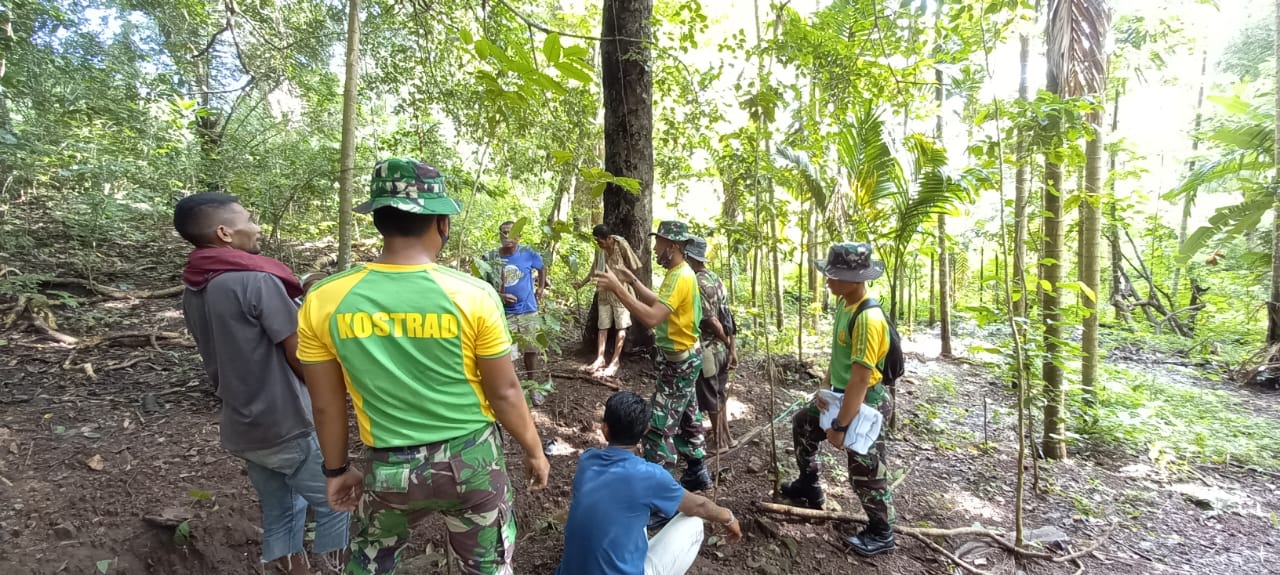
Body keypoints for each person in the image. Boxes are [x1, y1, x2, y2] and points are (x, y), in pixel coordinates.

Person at [296, 158, 550, 575]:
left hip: (389, 468)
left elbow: (326, 404)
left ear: (378, 219)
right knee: (486, 567)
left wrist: (337, 470)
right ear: (442, 222)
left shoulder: (325, 299)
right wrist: (534, 450)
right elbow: (504, 391)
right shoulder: (473, 295)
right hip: (472, 463)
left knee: (371, 562)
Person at [174, 192, 349, 575]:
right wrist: (341, 394)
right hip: (286, 420)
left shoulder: (195, 288)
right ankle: (340, 568)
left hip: (244, 425)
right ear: (224, 232)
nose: (256, 227)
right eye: (249, 219)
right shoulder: (255, 281)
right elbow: (300, 355)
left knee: (282, 511)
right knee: (340, 504)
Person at [780, 242, 897, 557]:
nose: (828, 280)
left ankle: (882, 531)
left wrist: (841, 425)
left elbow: (861, 378)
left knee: (865, 470)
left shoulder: (868, 319)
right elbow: (839, 359)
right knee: (803, 423)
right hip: (842, 395)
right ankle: (808, 484)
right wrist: (825, 388)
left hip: (864, 401)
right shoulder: (846, 305)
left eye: (834, 275)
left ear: (856, 278)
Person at [557, 391, 742, 575]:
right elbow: (699, 506)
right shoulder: (649, 475)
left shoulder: (587, 460)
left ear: (604, 429)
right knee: (693, 522)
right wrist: (728, 517)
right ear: (645, 430)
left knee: (632, 513)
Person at [594, 221, 709, 494]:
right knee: (688, 415)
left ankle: (657, 492)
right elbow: (659, 302)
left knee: (657, 427)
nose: (655, 249)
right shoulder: (678, 272)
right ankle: (696, 471)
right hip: (683, 359)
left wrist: (618, 289)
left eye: (659, 244)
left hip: (680, 364)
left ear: (673, 246)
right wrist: (631, 281)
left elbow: (651, 317)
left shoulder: (681, 275)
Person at [683, 237, 738, 453]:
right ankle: (726, 436)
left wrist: (725, 340)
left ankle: (719, 441)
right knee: (719, 392)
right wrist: (731, 347)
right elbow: (728, 316)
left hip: (709, 347)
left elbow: (712, 320)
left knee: (710, 393)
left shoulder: (697, 282)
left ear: (688, 256)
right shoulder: (716, 279)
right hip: (722, 349)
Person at [573, 224, 642, 378]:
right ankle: (600, 358)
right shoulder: (600, 250)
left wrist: (624, 280)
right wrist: (582, 283)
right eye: (597, 242)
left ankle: (615, 361)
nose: (600, 245)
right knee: (602, 326)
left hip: (621, 292)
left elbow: (634, 266)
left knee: (621, 326)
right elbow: (594, 269)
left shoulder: (621, 245)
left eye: (601, 242)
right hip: (603, 292)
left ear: (609, 239)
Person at [484, 220, 546, 379]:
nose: (506, 236)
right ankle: (513, 386)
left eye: (510, 232)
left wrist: (540, 287)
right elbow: (482, 286)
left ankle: (532, 385)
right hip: (504, 313)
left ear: (518, 236)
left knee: (531, 350)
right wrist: (500, 296)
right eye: (503, 232)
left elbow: (542, 266)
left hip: (528, 310)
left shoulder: (527, 253)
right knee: (507, 353)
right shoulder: (490, 258)